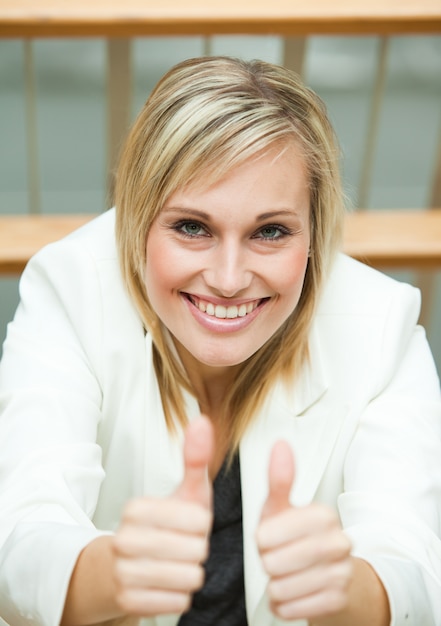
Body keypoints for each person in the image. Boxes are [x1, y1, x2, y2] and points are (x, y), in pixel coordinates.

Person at [0, 56, 440, 626]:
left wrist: (346, 589)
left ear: (315, 234)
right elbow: (18, 537)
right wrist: (113, 572)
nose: (229, 279)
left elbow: (416, 572)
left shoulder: (382, 325)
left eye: (270, 232)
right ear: (135, 220)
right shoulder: (70, 287)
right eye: (192, 227)